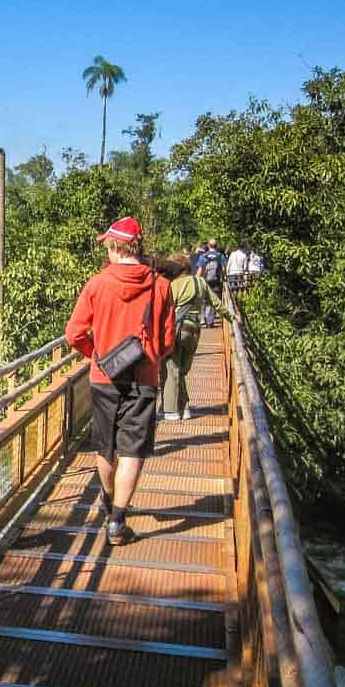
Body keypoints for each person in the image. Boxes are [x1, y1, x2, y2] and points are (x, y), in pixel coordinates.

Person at [65, 216, 174, 545]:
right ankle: (117, 521)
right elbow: (167, 341)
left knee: (105, 445)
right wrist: (150, 359)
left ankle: (108, 499)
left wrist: (96, 354)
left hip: (104, 378)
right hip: (144, 378)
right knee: (132, 451)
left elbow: (73, 334)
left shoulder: (97, 284)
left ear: (114, 246)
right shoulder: (162, 285)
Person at [160, 254, 231, 421]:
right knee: (182, 372)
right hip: (194, 331)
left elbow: (165, 308)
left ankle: (170, 411)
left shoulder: (174, 285)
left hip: (177, 330)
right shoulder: (200, 282)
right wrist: (233, 318)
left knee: (172, 369)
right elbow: (216, 304)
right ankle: (185, 409)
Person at [197, 238, 226, 327]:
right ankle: (210, 321)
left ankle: (202, 319)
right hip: (216, 282)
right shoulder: (220, 256)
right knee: (213, 301)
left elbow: (200, 271)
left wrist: (196, 280)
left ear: (208, 246)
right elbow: (224, 270)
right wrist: (222, 278)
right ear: (216, 246)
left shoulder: (203, 256)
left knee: (203, 300)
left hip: (205, 281)